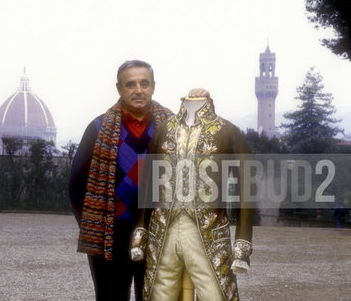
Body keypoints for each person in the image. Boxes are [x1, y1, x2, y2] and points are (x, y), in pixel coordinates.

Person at [131, 89, 254, 301]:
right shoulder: (164, 129)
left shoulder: (226, 131)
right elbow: (148, 183)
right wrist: (141, 230)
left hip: (209, 231)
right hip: (162, 232)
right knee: (159, 294)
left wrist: (242, 244)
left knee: (215, 295)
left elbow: (247, 187)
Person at [68, 60, 173, 301]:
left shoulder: (173, 128)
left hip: (161, 236)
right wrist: (94, 226)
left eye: (144, 83)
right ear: (119, 89)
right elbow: (76, 187)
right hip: (109, 238)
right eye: (130, 84)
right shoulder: (98, 129)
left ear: (153, 86)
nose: (138, 90)